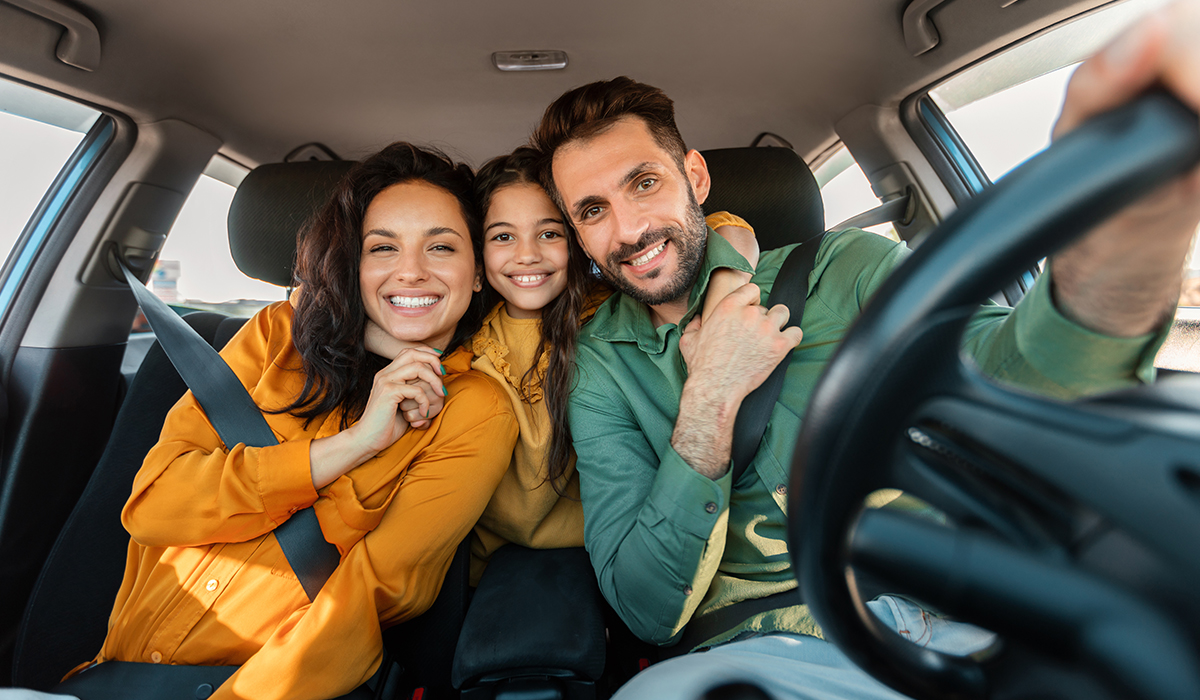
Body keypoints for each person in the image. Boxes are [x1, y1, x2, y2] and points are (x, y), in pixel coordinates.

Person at [526, 1, 1200, 697]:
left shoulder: (845, 268)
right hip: (774, 653)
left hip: (969, 608)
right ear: (580, 236)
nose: (630, 229)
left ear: (695, 178)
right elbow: (644, 607)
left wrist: (1116, 246)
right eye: (592, 211)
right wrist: (710, 400)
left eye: (644, 183)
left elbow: (1018, 382)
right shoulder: (602, 363)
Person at [65, 143, 518, 700]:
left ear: (477, 274)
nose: (411, 271)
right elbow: (154, 507)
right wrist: (353, 445)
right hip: (110, 677)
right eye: (382, 248)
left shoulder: (473, 409)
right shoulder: (275, 334)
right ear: (353, 265)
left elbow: (371, 596)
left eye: (442, 247)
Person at [367, 146, 760, 583]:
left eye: (549, 234)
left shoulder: (613, 314)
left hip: (615, 553)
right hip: (490, 569)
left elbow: (726, 227)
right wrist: (389, 345)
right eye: (502, 237)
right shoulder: (468, 339)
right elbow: (345, 314)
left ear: (577, 242)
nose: (527, 255)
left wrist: (725, 292)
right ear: (476, 259)